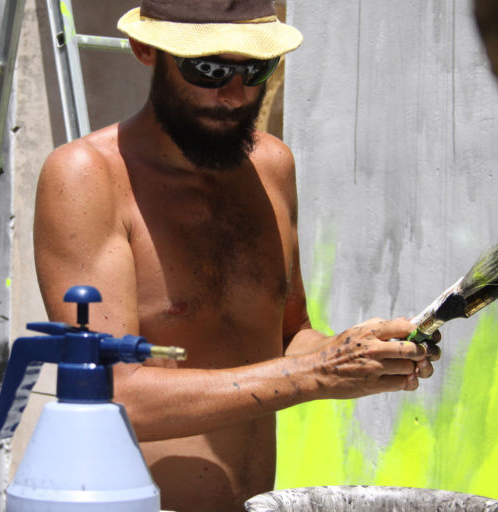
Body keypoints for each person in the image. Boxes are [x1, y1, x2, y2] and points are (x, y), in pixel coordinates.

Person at [33, 1, 441, 510]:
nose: (234, 94)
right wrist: (321, 372)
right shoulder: (86, 177)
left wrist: (359, 353)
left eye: (256, 70)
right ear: (145, 49)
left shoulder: (271, 166)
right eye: (208, 69)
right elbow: (111, 392)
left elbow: (289, 336)